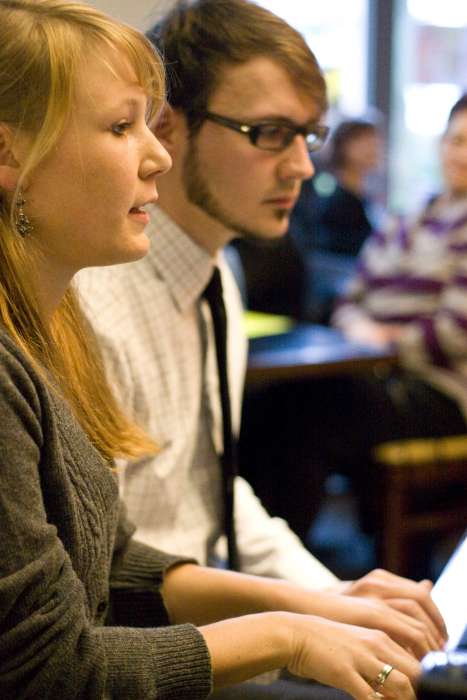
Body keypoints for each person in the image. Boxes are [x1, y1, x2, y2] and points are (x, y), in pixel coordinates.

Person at [0, 1, 445, 698]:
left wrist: (326, 601)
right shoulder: (85, 308)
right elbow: (58, 657)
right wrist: (289, 628)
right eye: (269, 133)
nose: (301, 164)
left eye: (308, 135)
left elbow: (143, 537)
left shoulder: (209, 279)